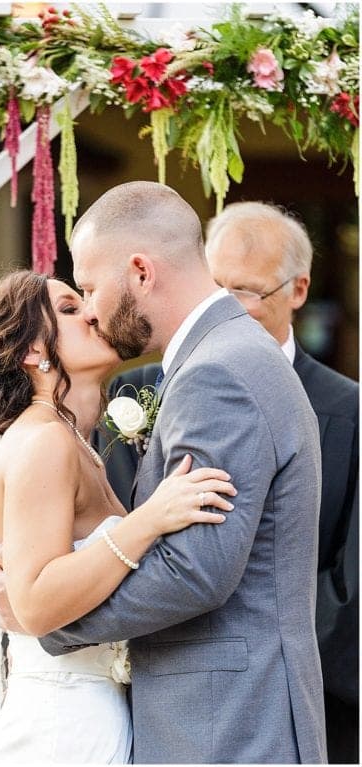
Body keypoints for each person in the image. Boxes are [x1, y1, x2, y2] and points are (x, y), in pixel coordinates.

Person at [0, 181, 325, 763]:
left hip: (230, 725)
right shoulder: (225, 356)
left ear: (141, 271)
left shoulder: (216, 373)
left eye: (88, 288)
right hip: (209, 717)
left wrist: (49, 621)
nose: (90, 309)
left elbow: (196, 571)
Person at [0, 270, 237, 763]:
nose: (93, 314)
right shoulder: (43, 442)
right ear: (33, 351)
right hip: (61, 728)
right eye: (70, 310)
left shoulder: (72, 442)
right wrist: (150, 518)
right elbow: (33, 602)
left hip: (94, 714)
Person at [98, 201, 358, 763]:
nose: (227, 303)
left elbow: (199, 571)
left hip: (238, 704)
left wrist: (55, 611)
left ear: (297, 290)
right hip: (171, 691)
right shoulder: (151, 386)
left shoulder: (227, 374)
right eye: (218, 284)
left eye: (247, 290)